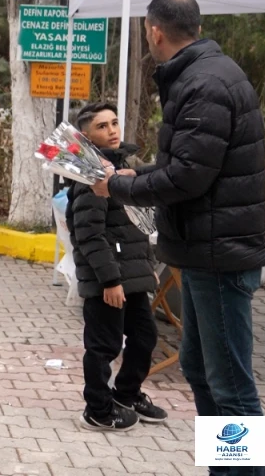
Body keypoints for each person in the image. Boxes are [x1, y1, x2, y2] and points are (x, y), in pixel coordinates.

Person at [92, 0, 265, 471]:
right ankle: (225, 466)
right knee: (200, 370)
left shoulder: (204, 83)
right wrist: (137, 175)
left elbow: (189, 176)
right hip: (202, 250)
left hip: (218, 254)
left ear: (154, 31)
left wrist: (121, 189)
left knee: (230, 383)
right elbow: (190, 164)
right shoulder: (202, 75)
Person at [69, 102, 166, 431]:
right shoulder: (91, 178)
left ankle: (126, 393)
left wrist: (148, 265)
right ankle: (97, 409)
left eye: (114, 123)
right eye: (102, 126)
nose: (112, 130)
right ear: (86, 136)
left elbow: (140, 224)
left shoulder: (124, 171)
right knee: (104, 346)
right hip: (107, 280)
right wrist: (110, 281)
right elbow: (90, 236)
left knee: (144, 337)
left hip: (133, 276)